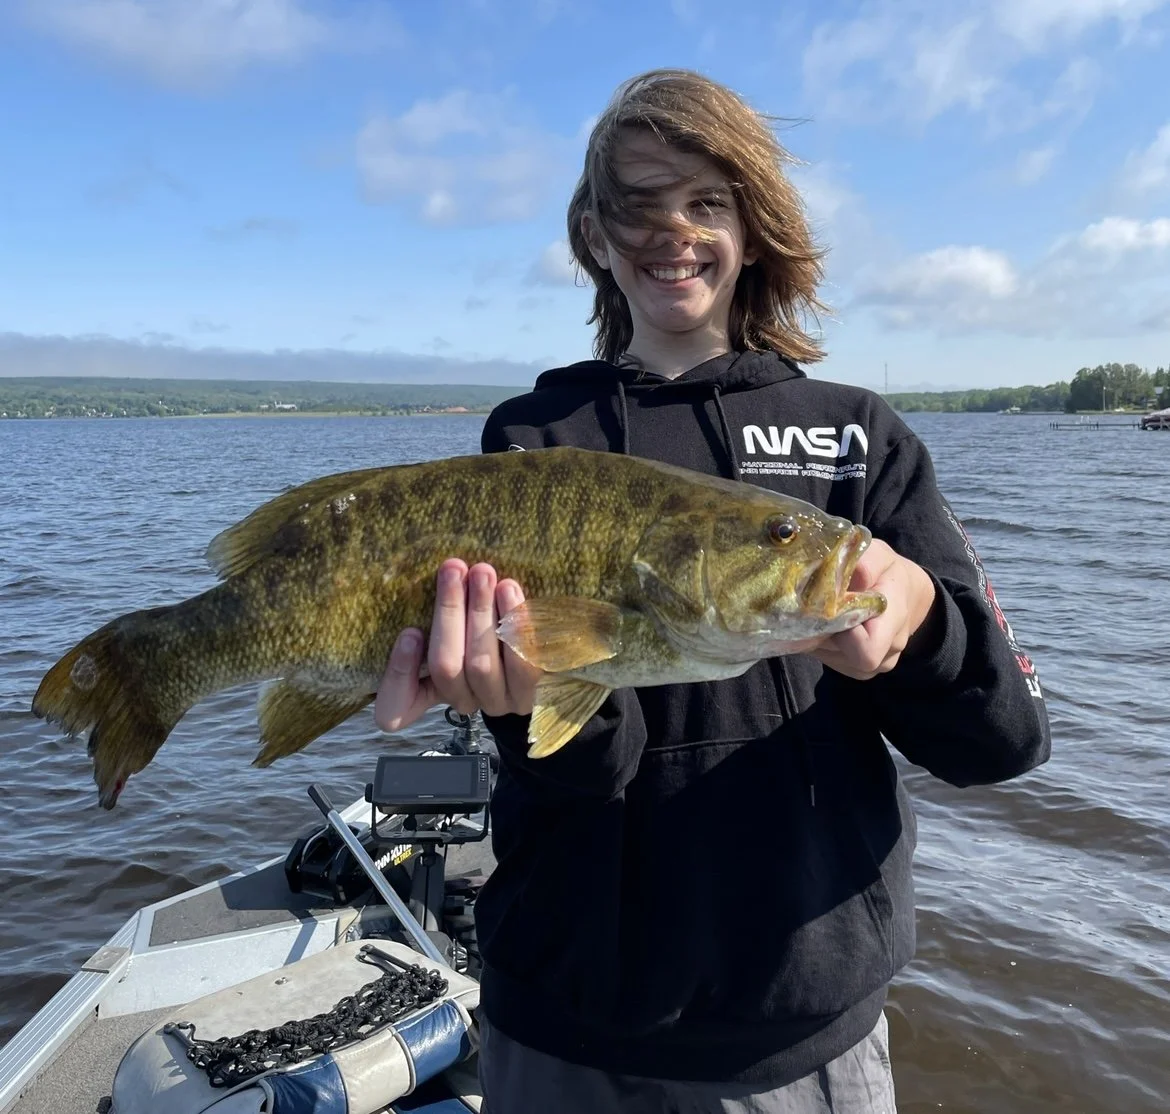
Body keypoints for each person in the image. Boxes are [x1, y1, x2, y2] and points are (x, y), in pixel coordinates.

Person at [374, 69, 1051, 1114]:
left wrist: (919, 624)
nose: (671, 231)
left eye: (705, 201)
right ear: (595, 235)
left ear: (754, 222)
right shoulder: (534, 440)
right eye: (637, 206)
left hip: (800, 1032)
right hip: (562, 1017)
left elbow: (1004, 741)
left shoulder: (855, 436)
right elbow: (571, 768)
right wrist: (534, 703)